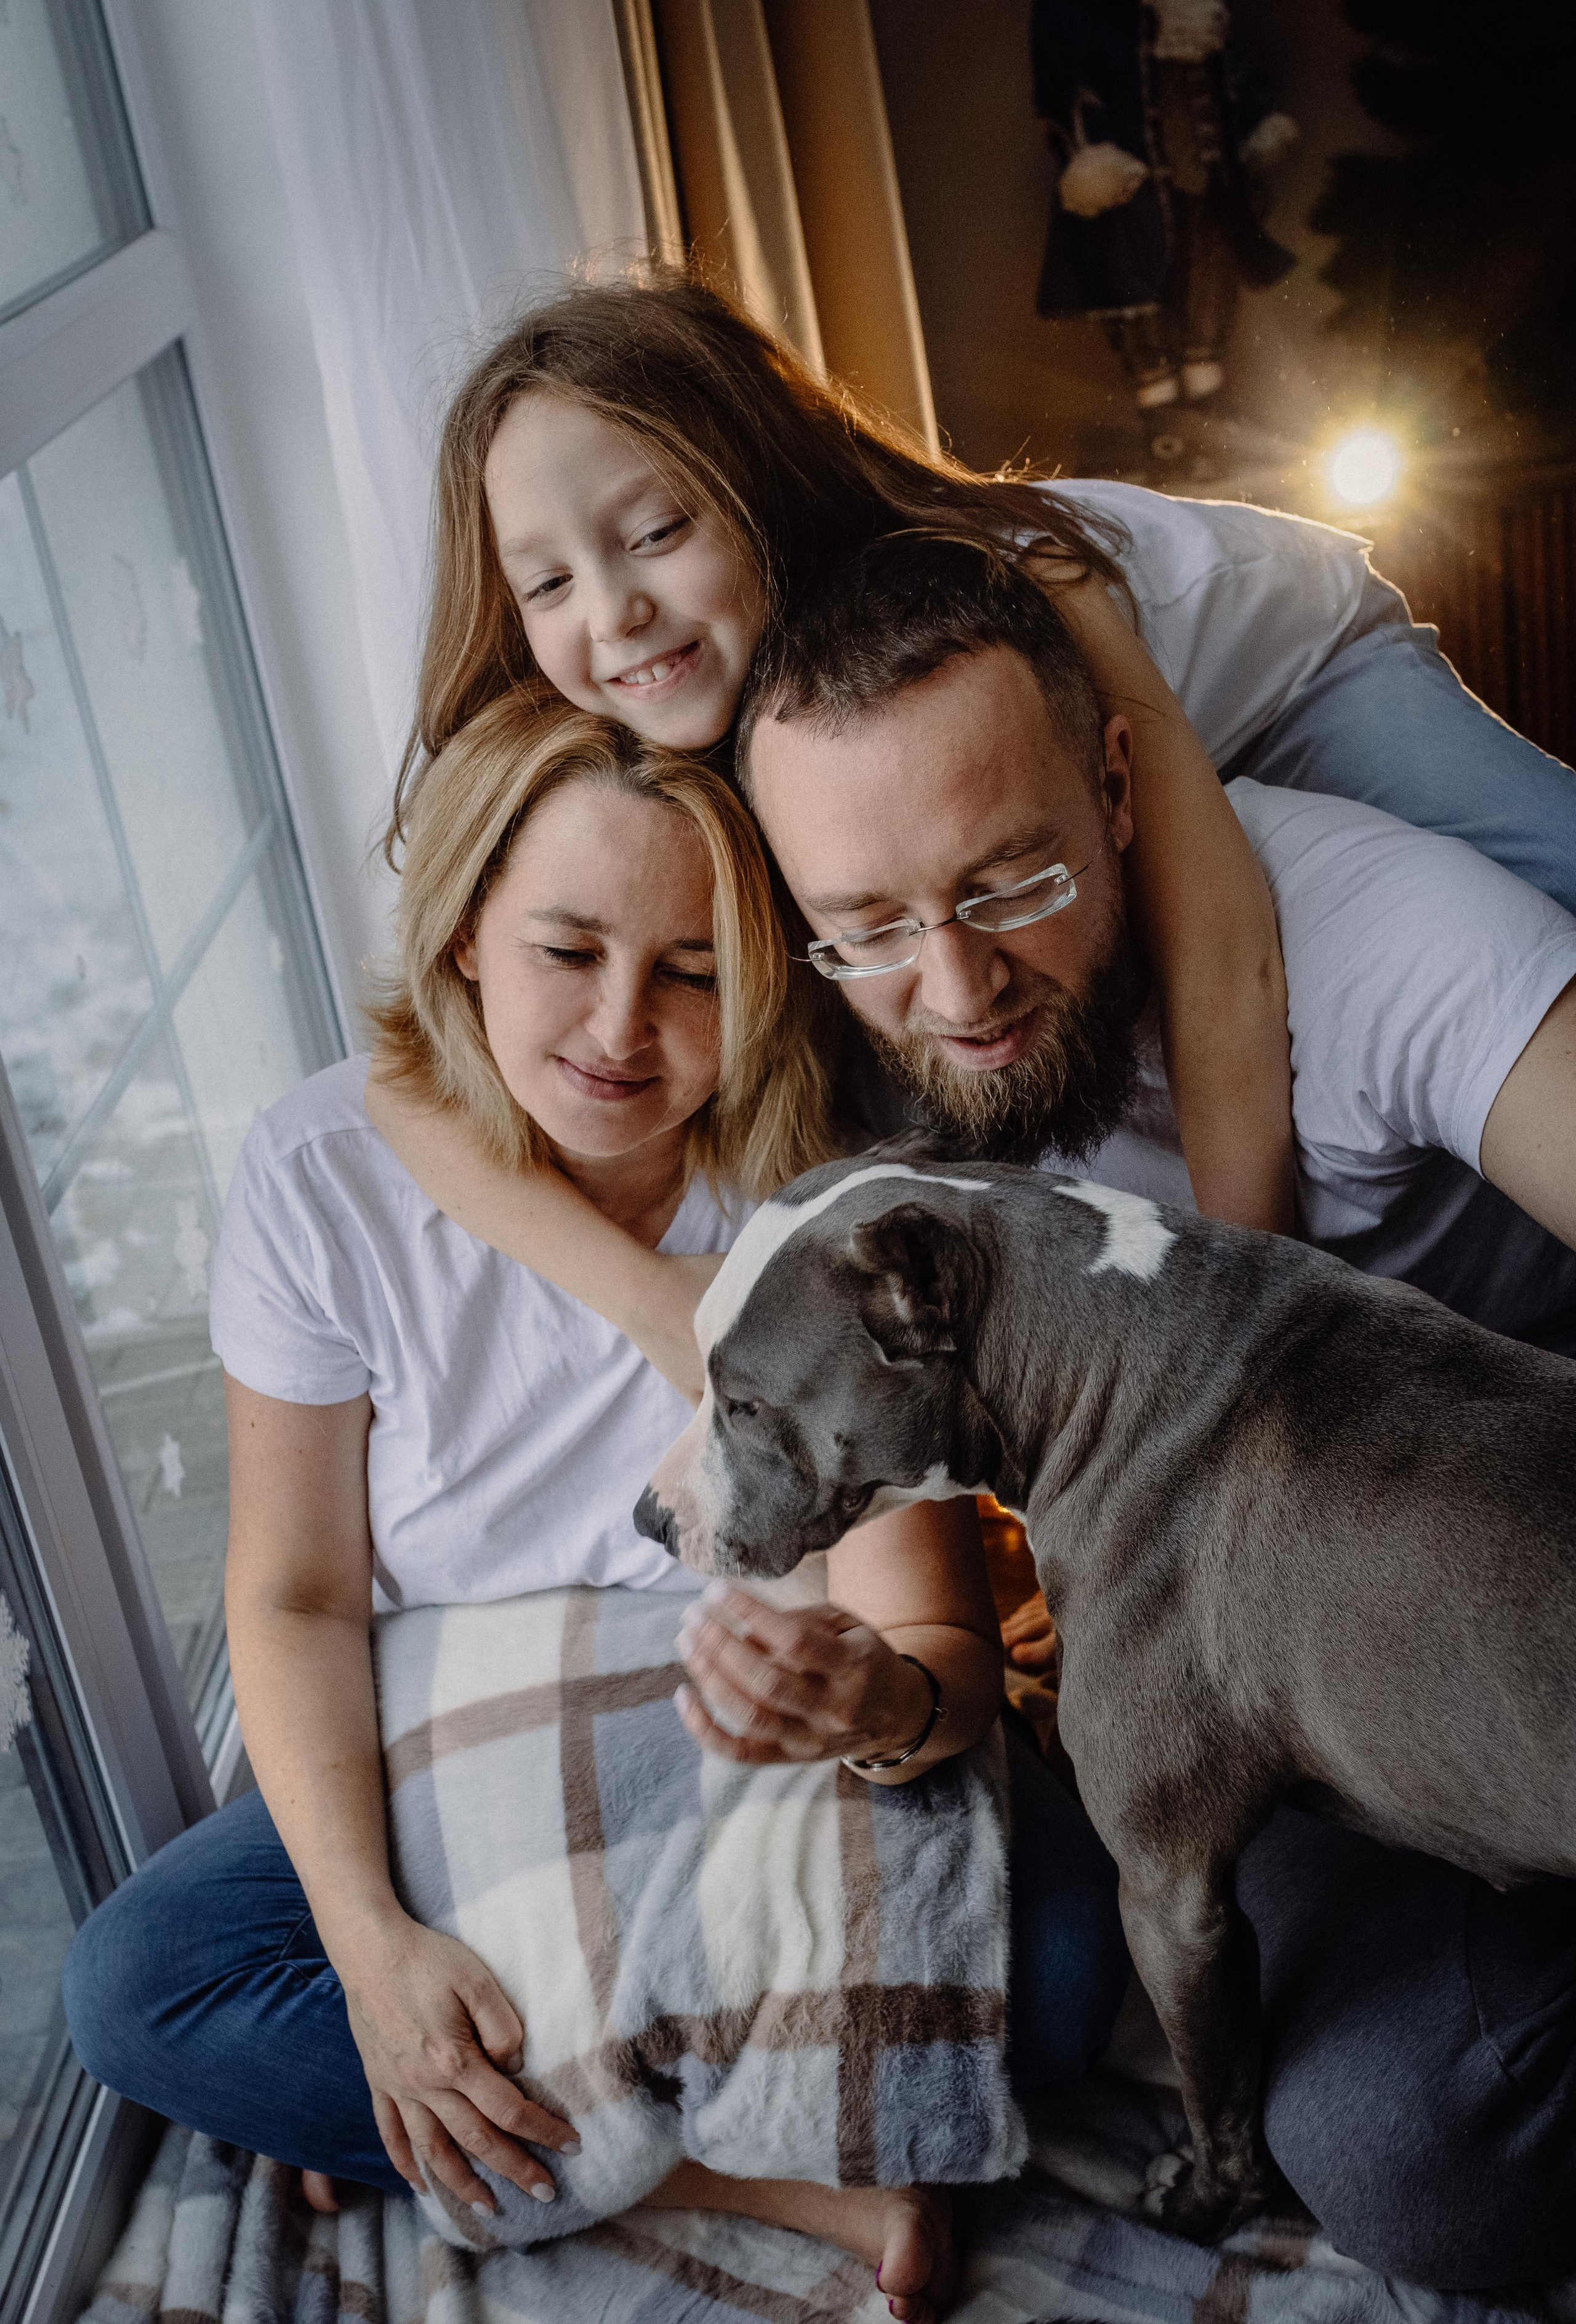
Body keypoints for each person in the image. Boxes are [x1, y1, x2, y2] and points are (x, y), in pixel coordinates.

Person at [59, 693, 1126, 2324]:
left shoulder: (833, 1193)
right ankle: (743, 2163)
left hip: (745, 1744)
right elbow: (293, 1595)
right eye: (568, 949)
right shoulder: (320, 1170)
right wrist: (368, 1956)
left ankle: (484, 2115)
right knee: (140, 1989)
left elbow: (937, 1651)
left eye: (693, 970)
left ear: (758, 981)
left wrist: (882, 1696)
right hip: (458, 1733)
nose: (623, 1028)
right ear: (469, 931)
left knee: (1062, 1974)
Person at [726, 531, 1576, 2288]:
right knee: (1402, 2154)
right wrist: (880, 1698)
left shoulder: (1386, 933)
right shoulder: (856, 1110)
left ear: (1120, 785)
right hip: (1318, 1676)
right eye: (872, 923)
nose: (954, 992)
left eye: (1010, 878)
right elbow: (936, 1619)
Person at [363, 268, 1576, 1399]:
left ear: (750, 487)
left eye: (655, 532)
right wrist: (644, 1298)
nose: (614, 609)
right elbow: (403, 1069)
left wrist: (1236, 1311)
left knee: (1547, 878)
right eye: (549, 581)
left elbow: (1222, 952)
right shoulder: (610, 708)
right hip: (1011, 805)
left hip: (1289, 674)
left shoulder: (1015, 577)